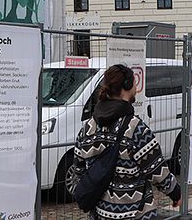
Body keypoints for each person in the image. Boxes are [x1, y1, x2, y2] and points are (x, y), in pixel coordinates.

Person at [68, 64, 182, 219]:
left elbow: (78, 172)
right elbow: (157, 171)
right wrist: (176, 193)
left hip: (99, 214)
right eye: (134, 83)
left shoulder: (88, 128)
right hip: (135, 214)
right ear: (127, 86)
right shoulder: (136, 129)